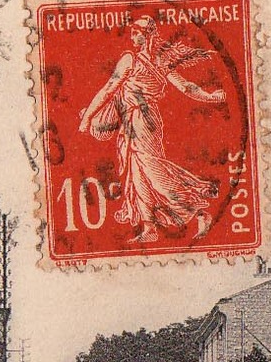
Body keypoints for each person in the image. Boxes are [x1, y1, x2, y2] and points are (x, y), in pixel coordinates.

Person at [76, 15, 227, 244]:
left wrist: (87, 118)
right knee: (137, 173)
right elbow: (185, 87)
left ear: (146, 34)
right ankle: (149, 227)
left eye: (136, 32)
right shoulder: (159, 62)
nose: (133, 37)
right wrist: (210, 96)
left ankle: (198, 211)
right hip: (141, 120)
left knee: (152, 170)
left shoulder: (131, 60)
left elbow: (108, 90)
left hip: (140, 120)